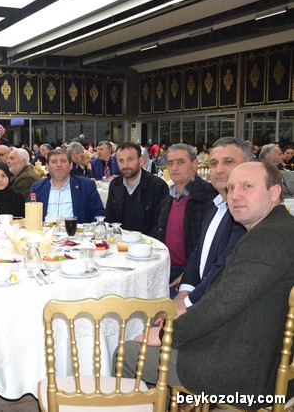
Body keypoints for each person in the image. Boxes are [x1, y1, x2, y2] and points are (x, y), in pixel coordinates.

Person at [123, 161, 294, 410]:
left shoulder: (268, 239)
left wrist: (166, 334)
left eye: (247, 187)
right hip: (262, 353)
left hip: (242, 371)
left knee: (127, 353)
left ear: (274, 192)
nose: (235, 195)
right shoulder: (281, 227)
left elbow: (222, 303)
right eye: (231, 188)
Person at [174, 137, 252, 314]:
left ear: (248, 166)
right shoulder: (214, 205)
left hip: (219, 308)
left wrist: (186, 303)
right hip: (198, 294)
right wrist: (185, 289)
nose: (219, 170)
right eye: (214, 163)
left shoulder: (245, 214)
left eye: (228, 162)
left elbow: (223, 267)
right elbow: (198, 251)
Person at [155, 143, 218, 298]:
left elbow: (213, 245)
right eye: (170, 163)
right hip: (164, 267)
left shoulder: (210, 196)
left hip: (191, 273)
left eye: (180, 162)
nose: (174, 168)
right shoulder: (168, 196)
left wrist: (190, 275)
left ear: (195, 164)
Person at [105, 142, 170, 236]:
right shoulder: (115, 185)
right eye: (121, 160)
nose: (125, 165)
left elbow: (161, 225)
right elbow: (109, 220)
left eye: (130, 159)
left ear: (141, 160)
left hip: (148, 242)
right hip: (120, 241)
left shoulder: (158, 186)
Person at [29, 149, 105, 223]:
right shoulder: (37, 188)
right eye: (54, 161)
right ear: (47, 166)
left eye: (63, 161)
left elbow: (98, 213)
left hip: (76, 230)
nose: (59, 165)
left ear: (71, 165)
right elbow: (29, 214)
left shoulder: (86, 186)